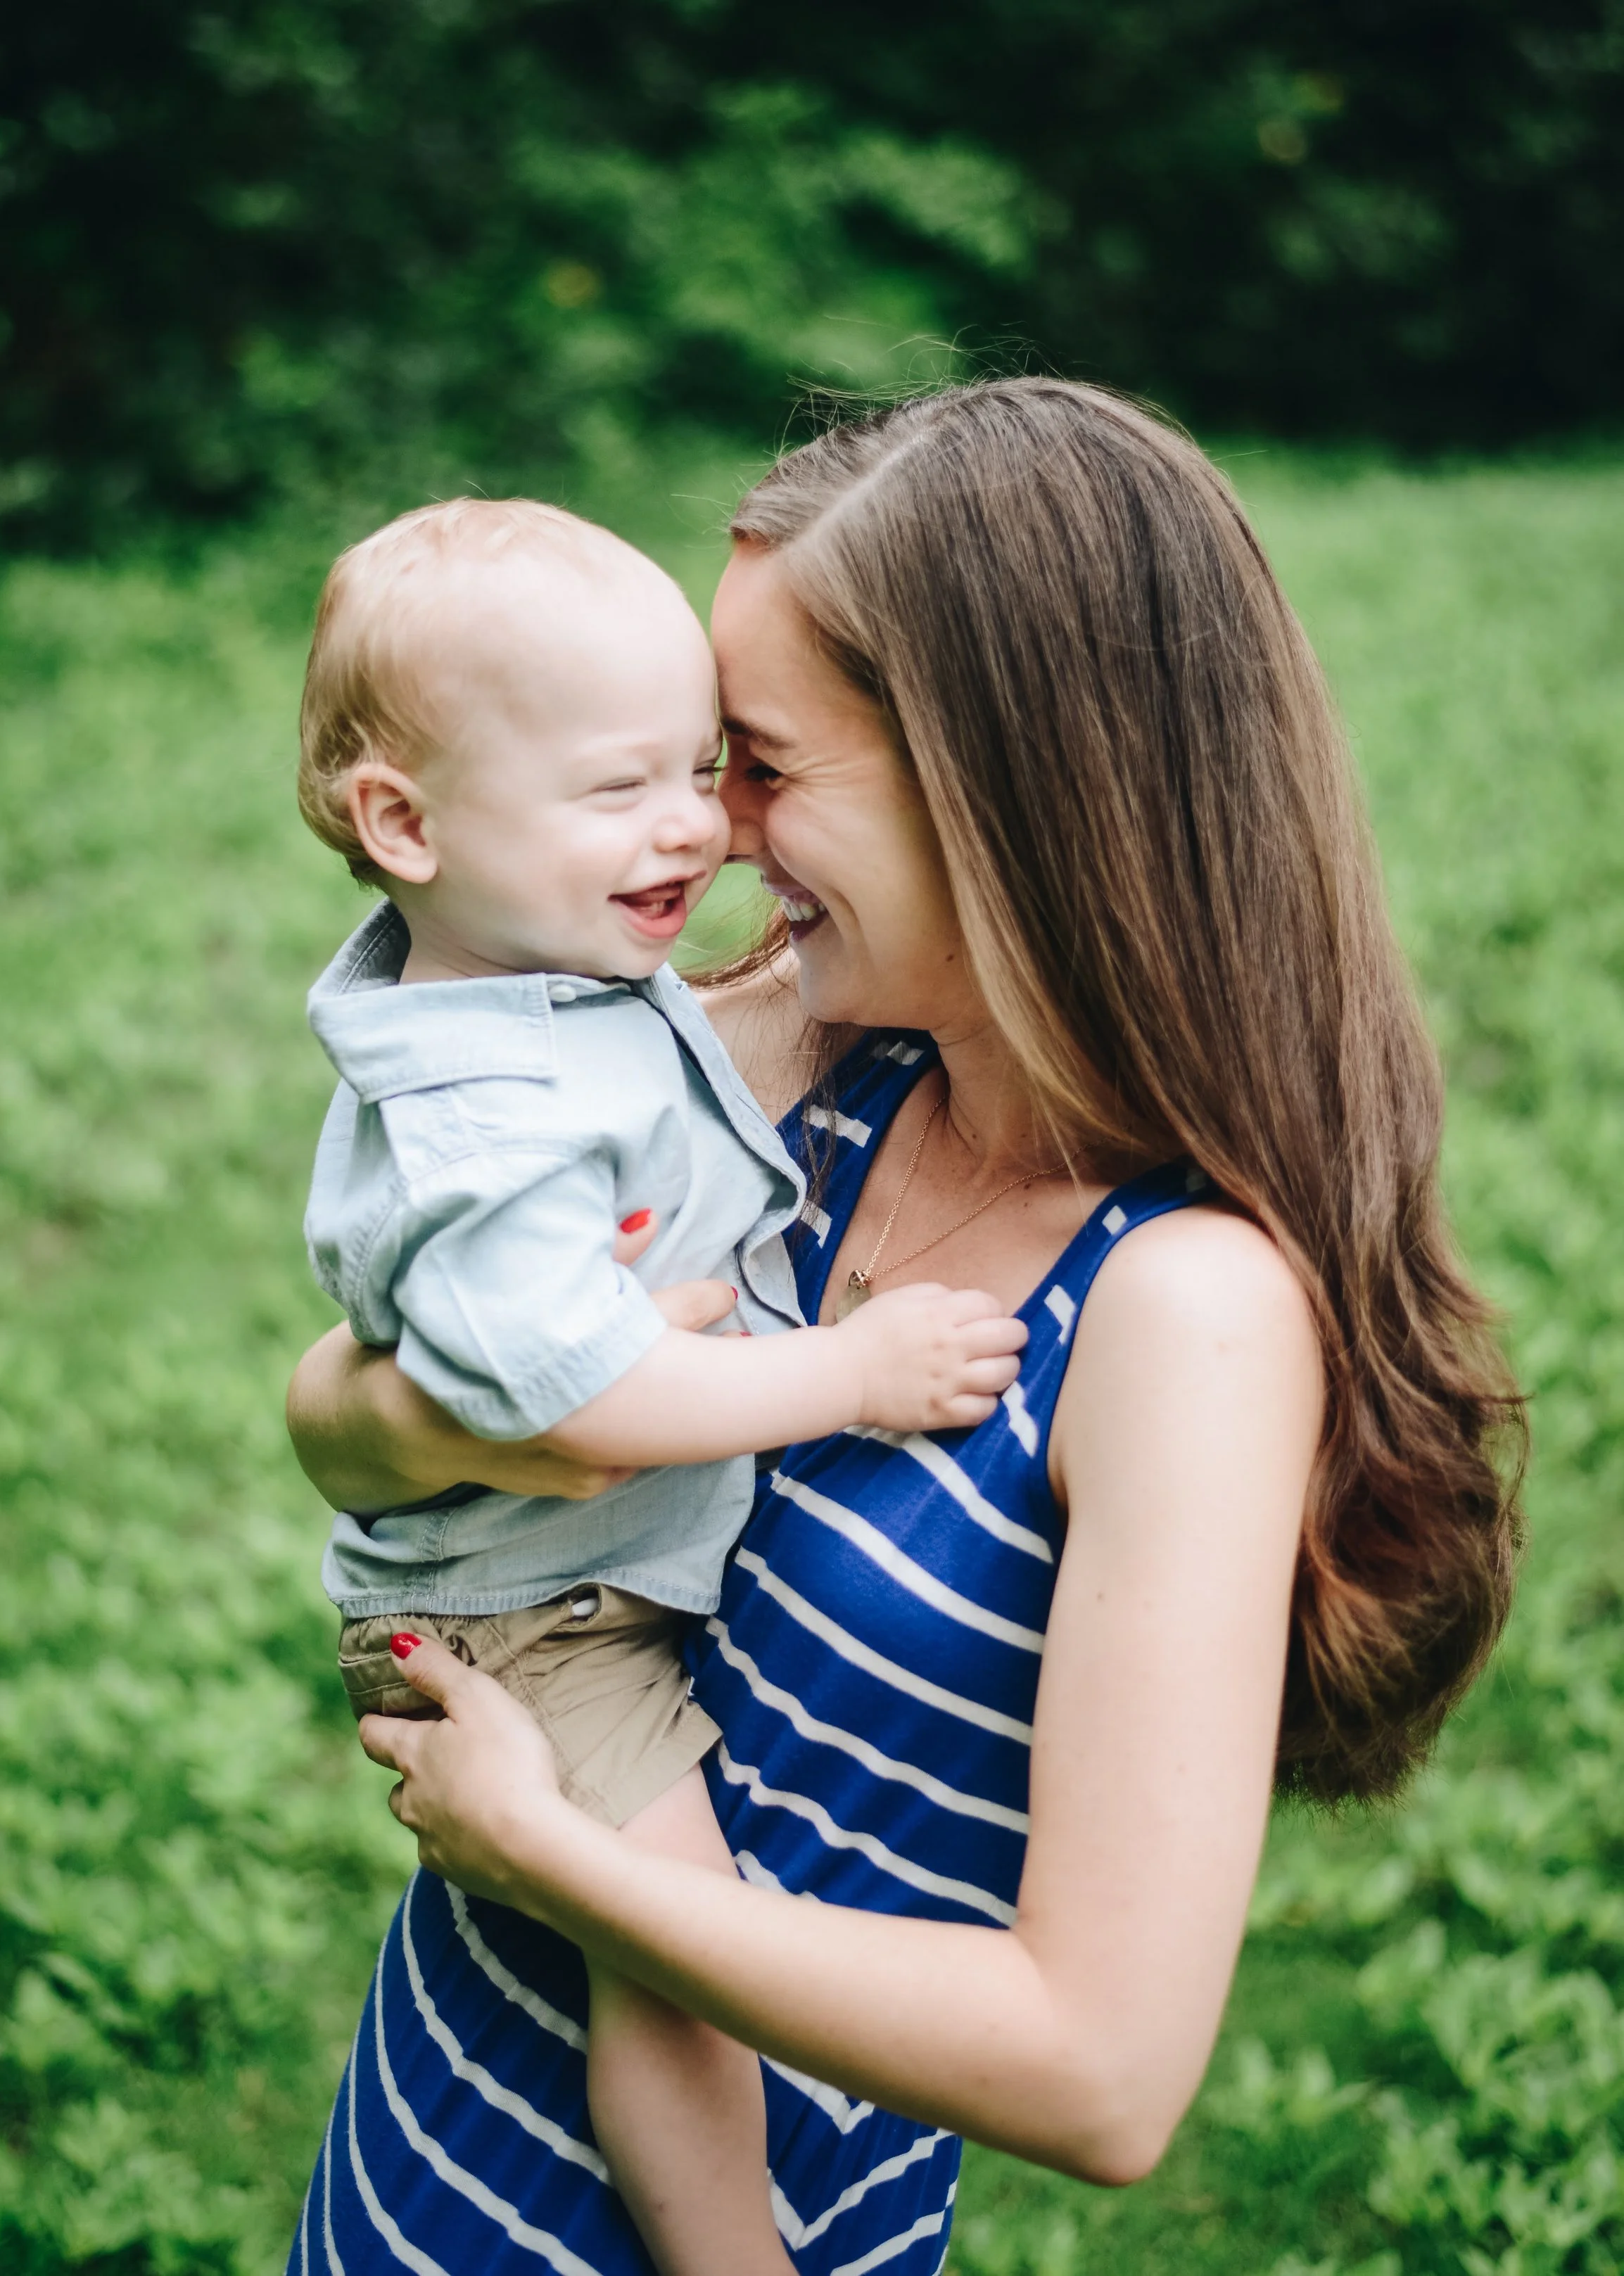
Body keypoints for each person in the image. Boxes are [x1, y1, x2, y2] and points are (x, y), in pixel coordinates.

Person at [284, 379, 1524, 2275]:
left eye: (757, 765)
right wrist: (438, 1428)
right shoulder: (777, 1063)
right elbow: (352, 1396)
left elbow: (1099, 2078)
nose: (710, 834)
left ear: (1007, 800)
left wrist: (549, 1856)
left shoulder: (1177, 1311)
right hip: (415, 2165)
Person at [292, 496, 1027, 2276]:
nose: (694, 825)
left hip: (557, 1580)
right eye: (618, 787)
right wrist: (849, 1371)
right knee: (673, 1967)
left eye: (703, 766)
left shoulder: (551, 989)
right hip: (534, 1625)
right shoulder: (488, 1117)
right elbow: (584, 1411)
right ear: (404, 823)